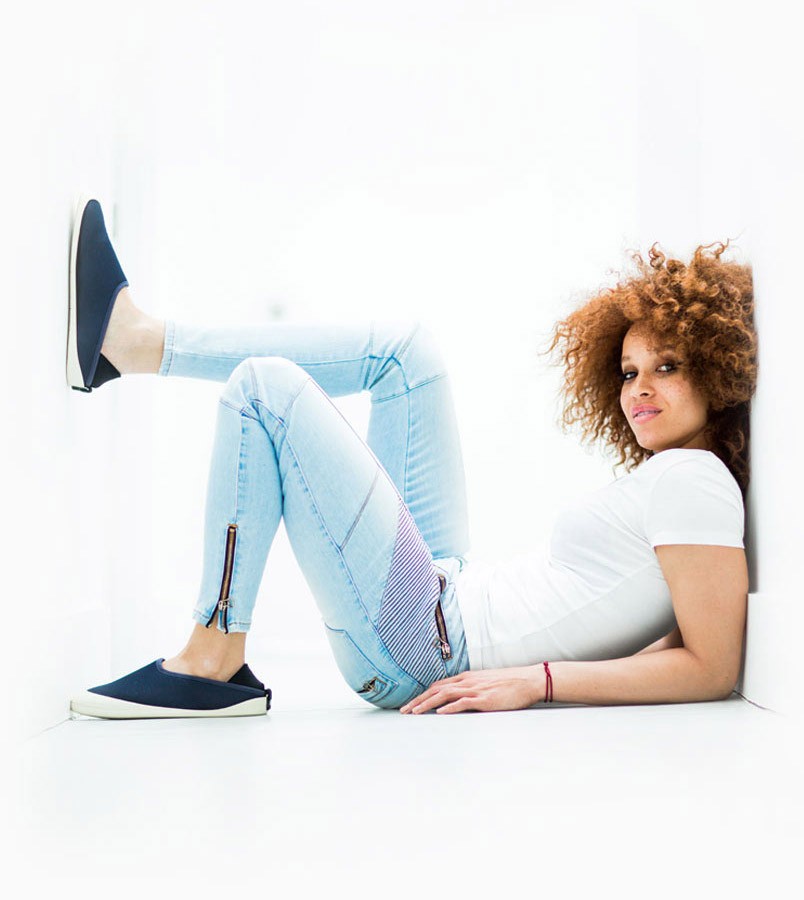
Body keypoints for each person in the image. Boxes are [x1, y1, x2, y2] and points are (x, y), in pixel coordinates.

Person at [67, 198, 757, 719]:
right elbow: (668, 639)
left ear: (717, 371)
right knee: (405, 355)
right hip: (445, 594)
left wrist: (538, 680)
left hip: (429, 645)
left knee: (264, 389)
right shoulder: (678, 480)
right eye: (629, 372)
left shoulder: (697, 481)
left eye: (667, 366)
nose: (639, 389)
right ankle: (135, 343)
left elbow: (710, 665)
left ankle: (211, 654)